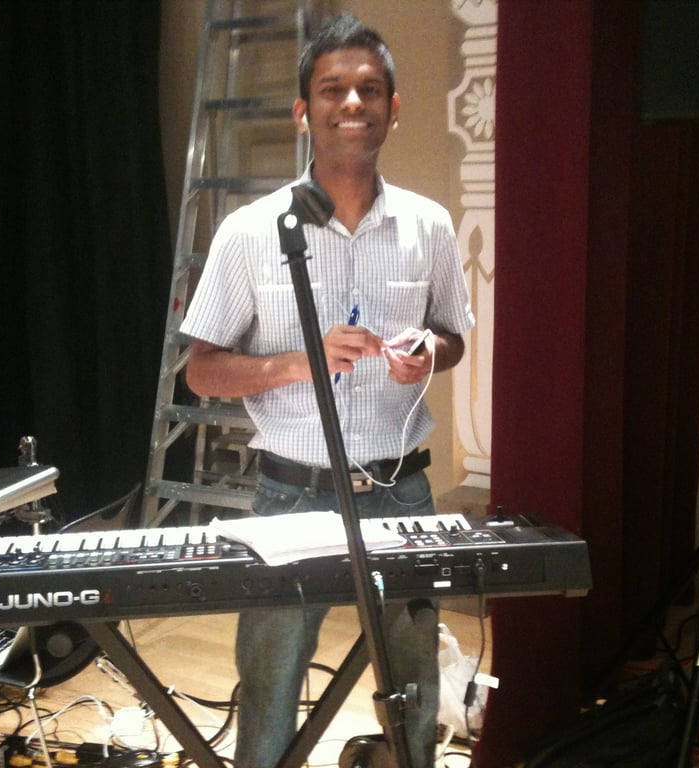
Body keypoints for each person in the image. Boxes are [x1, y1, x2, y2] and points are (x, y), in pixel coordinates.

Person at [180, 13, 475, 768]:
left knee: (414, 692)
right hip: (291, 495)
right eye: (333, 89)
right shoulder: (250, 231)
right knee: (270, 689)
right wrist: (297, 364)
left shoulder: (430, 225)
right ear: (303, 111)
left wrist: (429, 353)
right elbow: (201, 370)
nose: (352, 104)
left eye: (369, 90)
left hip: (401, 491)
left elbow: (454, 336)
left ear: (393, 109)